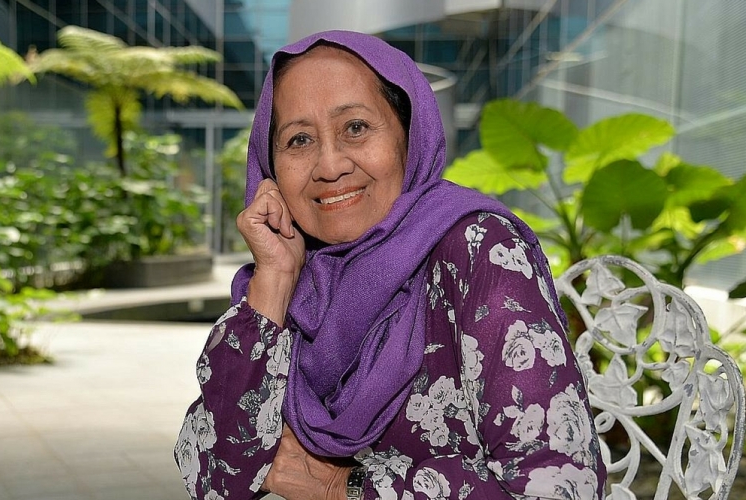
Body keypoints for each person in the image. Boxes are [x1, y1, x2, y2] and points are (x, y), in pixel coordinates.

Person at [175, 30, 606, 500]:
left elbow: (560, 484)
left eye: (355, 128)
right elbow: (215, 481)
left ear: (408, 133)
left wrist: (344, 487)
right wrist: (275, 280)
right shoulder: (296, 284)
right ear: (271, 167)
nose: (330, 165)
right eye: (299, 139)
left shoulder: (479, 250)